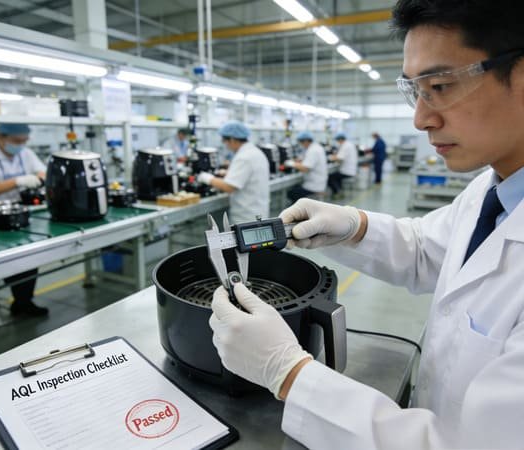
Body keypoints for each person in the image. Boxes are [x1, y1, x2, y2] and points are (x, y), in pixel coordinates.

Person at [208, 0, 524, 448]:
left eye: (440, 85)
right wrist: (354, 225)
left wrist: (289, 373)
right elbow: (429, 249)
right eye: (416, 91)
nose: (420, 120)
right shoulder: (492, 188)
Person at [0, 124, 48, 317]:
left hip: (21, 211)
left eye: (24, 141)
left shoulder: (26, 153)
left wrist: (39, 177)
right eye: (17, 141)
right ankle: (20, 301)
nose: (21, 145)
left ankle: (23, 301)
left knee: (29, 255)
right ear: (1, 137)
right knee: (11, 260)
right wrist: (18, 181)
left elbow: (43, 172)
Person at [197, 121, 269, 224]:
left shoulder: (244, 157)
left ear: (232, 139)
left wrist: (206, 178)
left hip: (246, 216)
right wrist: (228, 173)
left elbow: (229, 187)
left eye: (225, 142)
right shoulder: (254, 152)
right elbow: (248, 176)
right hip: (256, 211)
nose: (226, 146)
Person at [285, 131, 328, 203]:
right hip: (318, 182)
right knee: (296, 187)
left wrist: (290, 163)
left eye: (301, 142)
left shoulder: (313, 150)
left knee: (291, 193)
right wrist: (299, 160)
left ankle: (299, 211)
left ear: (305, 141)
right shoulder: (316, 147)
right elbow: (308, 159)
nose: (300, 145)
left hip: (314, 186)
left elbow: (305, 168)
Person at [327, 133, 357, 198]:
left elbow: (340, 158)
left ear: (340, 139)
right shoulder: (348, 144)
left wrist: (329, 157)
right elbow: (340, 156)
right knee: (336, 176)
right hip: (349, 170)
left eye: (337, 140)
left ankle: (337, 193)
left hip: (347, 171)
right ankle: (339, 191)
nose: (337, 142)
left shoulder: (346, 146)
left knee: (330, 177)